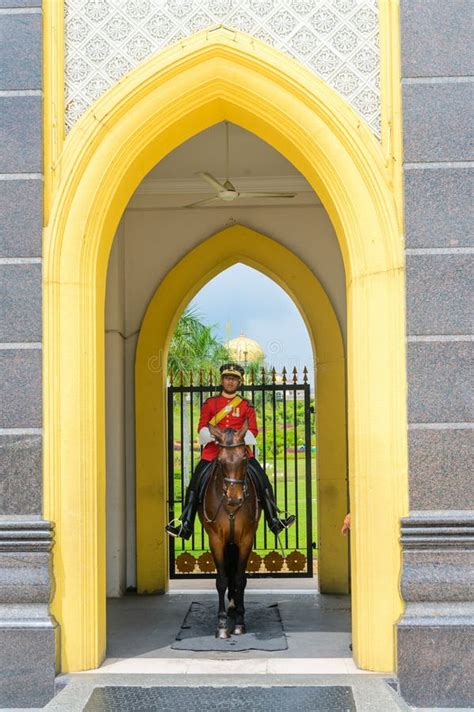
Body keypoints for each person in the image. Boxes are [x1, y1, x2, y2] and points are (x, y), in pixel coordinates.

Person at [165, 363, 296, 539]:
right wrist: (217, 437)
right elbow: (203, 427)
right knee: (195, 483)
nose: (230, 381)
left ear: (239, 382)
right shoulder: (211, 403)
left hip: (241, 455)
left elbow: (253, 430)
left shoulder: (246, 406)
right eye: (227, 378)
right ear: (222, 380)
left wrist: (235, 439)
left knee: (263, 481)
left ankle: (274, 520)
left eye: (234, 379)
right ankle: (186, 524)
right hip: (213, 453)